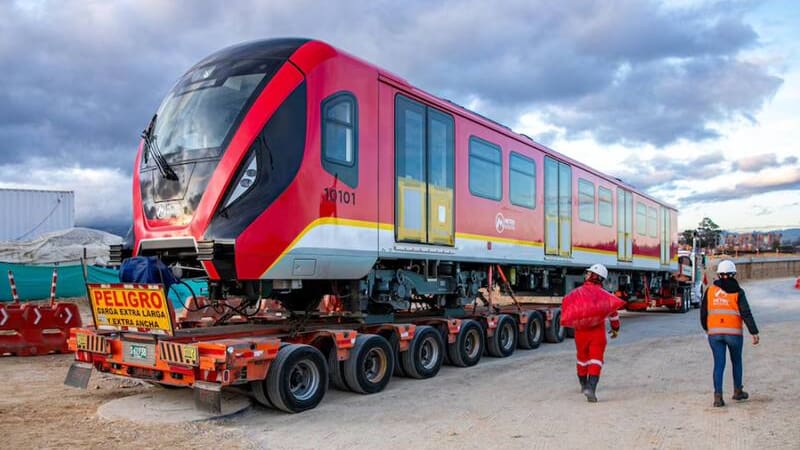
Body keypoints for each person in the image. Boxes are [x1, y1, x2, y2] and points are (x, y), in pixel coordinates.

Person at [701, 260, 760, 407]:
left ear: (719, 274)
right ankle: (738, 391)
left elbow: (703, 313)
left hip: (714, 334)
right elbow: (746, 313)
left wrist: (707, 329)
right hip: (734, 334)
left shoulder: (710, 291)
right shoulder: (738, 292)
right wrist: (754, 332)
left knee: (719, 364)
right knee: (736, 362)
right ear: (733, 274)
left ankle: (718, 397)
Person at [564, 263, 621, 403]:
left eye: (589, 273)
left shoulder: (577, 293)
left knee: (582, 358)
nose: (586, 275)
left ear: (595, 276)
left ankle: (583, 385)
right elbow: (614, 314)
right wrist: (615, 329)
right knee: (596, 359)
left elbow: (569, 308)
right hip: (597, 332)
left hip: (580, 332)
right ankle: (591, 388)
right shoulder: (605, 295)